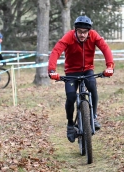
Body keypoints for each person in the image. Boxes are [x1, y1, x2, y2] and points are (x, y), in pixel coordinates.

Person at [48, 15, 114, 143]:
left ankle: (93, 117)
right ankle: (70, 124)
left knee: (92, 87)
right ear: (75, 30)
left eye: (85, 32)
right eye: (80, 32)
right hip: (71, 71)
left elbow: (105, 48)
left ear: (89, 31)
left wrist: (109, 66)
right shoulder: (68, 37)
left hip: (88, 69)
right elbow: (56, 51)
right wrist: (52, 70)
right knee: (71, 97)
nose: (82, 35)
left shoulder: (94, 35)